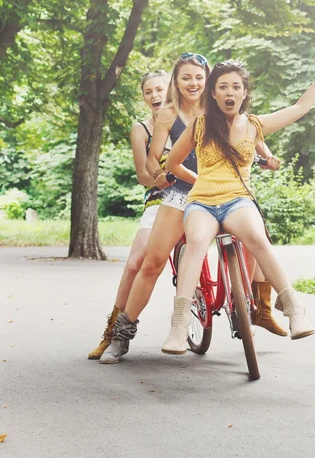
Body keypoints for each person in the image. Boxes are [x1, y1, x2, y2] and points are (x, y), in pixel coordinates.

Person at [101, 53, 285, 363]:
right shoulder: (168, 115)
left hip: (226, 191)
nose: (193, 83)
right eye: (186, 78)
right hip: (181, 193)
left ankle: (255, 307)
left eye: (199, 77)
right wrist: (158, 174)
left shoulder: (224, 105)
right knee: (152, 261)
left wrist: (267, 158)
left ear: (210, 82)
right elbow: (152, 156)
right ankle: (121, 335)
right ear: (176, 82)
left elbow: (253, 137)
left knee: (256, 236)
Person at [162, 39, 315, 354]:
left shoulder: (254, 125)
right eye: (222, 87)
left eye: (235, 87)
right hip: (202, 202)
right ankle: (179, 325)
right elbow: (172, 163)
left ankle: (294, 310)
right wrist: (199, 179)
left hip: (238, 199)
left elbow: (299, 108)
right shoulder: (200, 125)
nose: (229, 92)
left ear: (244, 92)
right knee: (197, 242)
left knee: (257, 236)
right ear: (213, 93)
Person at [88, 70, 170, 360]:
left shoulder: (190, 121)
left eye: (160, 89)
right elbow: (141, 175)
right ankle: (112, 332)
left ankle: (252, 308)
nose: (155, 95)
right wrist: (162, 179)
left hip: (197, 196)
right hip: (160, 198)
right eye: (149, 92)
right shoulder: (142, 129)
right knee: (135, 264)